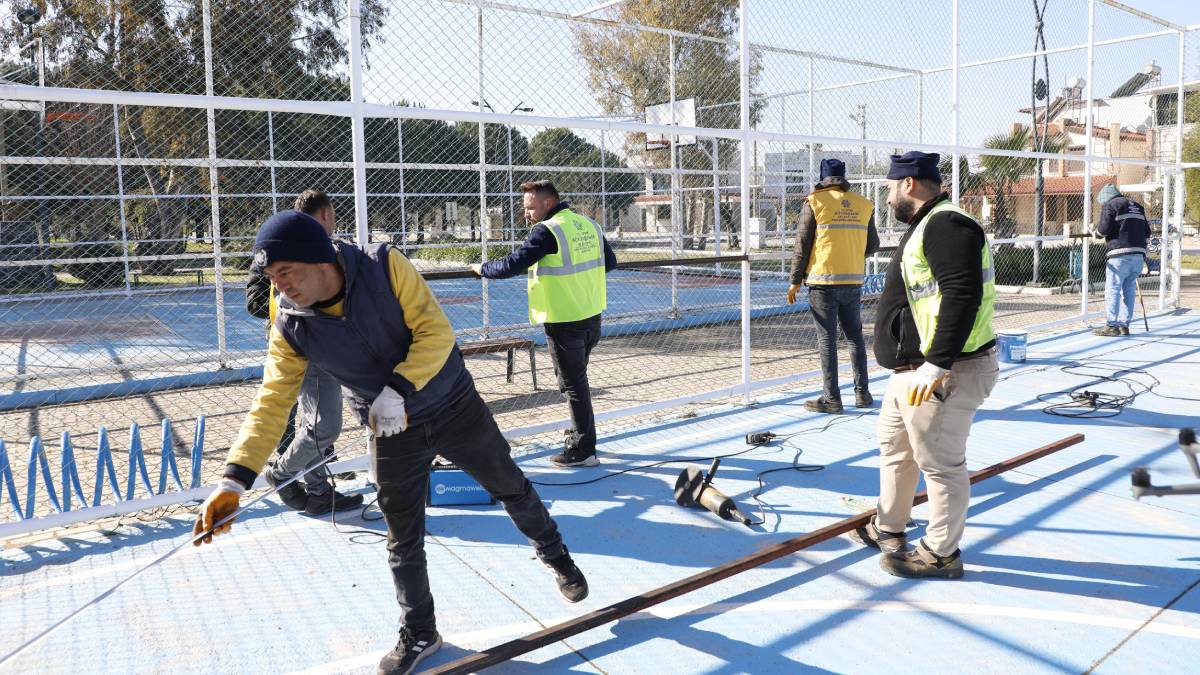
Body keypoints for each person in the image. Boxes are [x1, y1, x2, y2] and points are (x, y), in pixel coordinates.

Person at [195, 211, 588, 675]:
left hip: (452, 405)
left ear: (318, 259)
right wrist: (233, 482)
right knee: (402, 535)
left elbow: (435, 331)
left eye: (286, 272)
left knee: (511, 488)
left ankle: (555, 554)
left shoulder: (383, 265)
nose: (279, 287)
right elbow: (272, 400)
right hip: (389, 429)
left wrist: (398, 388)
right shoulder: (289, 320)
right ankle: (421, 630)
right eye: (272, 277)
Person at [848, 151, 998, 580]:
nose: (887, 197)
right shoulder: (927, 224)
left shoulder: (947, 225)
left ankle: (941, 553)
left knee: (940, 463)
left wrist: (937, 363)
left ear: (908, 184)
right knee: (896, 449)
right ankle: (889, 527)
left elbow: (961, 294)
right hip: (912, 372)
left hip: (944, 372)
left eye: (890, 188)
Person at [470, 180, 617, 468]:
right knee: (576, 382)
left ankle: (583, 449)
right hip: (591, 316)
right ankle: (579, 437)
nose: (526, 214)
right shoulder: (588, 225)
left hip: (564, 321)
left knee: (573, 386)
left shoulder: (547, 230)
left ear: (548, 203)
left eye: (530, 207)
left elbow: (513, 264)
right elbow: (609, 263)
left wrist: (482, 268)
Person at [244, 189, 357, 515]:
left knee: (314, 422)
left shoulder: (330, 249)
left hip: (321, 344)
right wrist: (292, 310)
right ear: (326, 215)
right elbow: (255, 299)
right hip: (302, 346)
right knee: (323, 425)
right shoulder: (280, 246)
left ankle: (319, 492)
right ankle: (282, 473)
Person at [786, 158, 880, 414]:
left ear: (823, 178)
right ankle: (863, 394)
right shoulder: (863, 204)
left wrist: (795, 281)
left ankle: (832, 399)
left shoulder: (814, 202)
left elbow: (802, 245)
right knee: (855, 337)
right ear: (843, 177)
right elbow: (873, 245)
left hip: (823, 281)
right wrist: (850, 251)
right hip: (853, 280)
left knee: (827, 340)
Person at [1092, 183, 1150, 337]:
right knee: (1129, 290)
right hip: (1138, 256)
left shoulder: (1111, 205)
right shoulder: (1137, 206)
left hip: (1119, 255)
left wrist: (1094, 234)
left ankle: (1112, 325)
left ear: (1106, 198)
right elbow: (1147, 232)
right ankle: (1125, 325)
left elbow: (1103, 230)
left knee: (1113, 289)